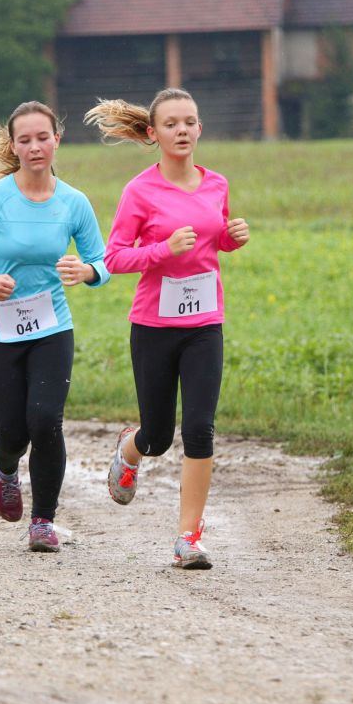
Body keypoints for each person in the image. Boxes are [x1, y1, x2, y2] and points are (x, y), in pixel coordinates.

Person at [84, 88, 249, 569]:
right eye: (172, 123)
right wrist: (162, 251)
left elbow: (210, 242)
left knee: (199, 429)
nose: (182, 130)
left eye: (190, 122)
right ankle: (130, 448)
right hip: (154, 326)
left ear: (200, 129)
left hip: (204, 325)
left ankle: (188, 539)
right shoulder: (140, 191)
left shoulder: (217, 184)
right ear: (153, 134)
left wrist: (230, 239)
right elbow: (113, 257)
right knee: (158, 436)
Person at [0, 101, 110, 553]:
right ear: (14, 146)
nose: (35, 146)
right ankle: (4, 462)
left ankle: (43, 521)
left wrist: (86, 272)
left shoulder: (74, 202)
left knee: (46, 420)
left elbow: (101, 260)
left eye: (43, 137)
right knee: (14, 432)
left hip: (52, 326)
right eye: (25, 139)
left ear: (58, 140)